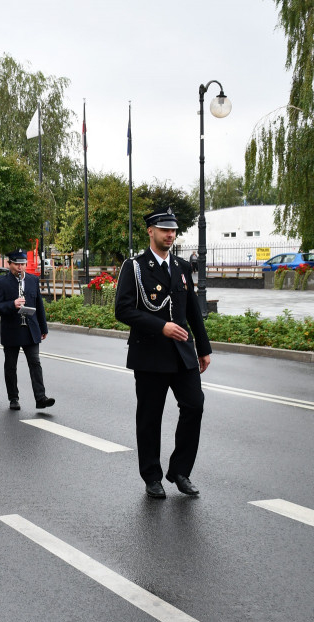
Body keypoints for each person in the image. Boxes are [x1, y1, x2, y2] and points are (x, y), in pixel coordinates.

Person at [114, 209, 212, 499]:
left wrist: (203, 348)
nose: (170, 235)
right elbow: (123, 310)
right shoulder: (135, 267)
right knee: (150, 417)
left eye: (173, 231)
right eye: (164, 230)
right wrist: (161, 327)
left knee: (194, 406)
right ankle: (152, 476)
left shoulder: (181, 266)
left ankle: (180, 471)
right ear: (150, 232)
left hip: (183, 353)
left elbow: (193, 310)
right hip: (150, 354)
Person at [0, 250, 54, 411]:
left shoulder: (32, 280)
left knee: (35, 363)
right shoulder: (1, 282)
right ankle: (13, 398)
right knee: (11, 366)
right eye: (17, 264)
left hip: (31, 328)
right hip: (12, 329)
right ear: (9, 264)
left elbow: (39, 304)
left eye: (23, 264)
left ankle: (41, 398)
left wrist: (43, 326)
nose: (20, 267)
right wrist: (12, 304)